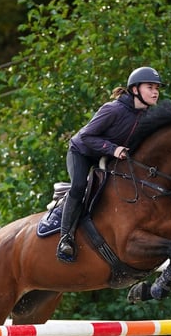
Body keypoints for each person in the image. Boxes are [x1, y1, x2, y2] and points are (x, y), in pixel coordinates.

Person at [56, 66, 164, 262]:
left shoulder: (146, 117)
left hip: (107, 156)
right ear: (135, 89)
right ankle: (65, 238)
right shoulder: (113, 109)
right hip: (82, 152)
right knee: (80, 186)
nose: (155, 92)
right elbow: (87, 136)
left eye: (157, 88)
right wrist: (114, 149)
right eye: (150, 87)